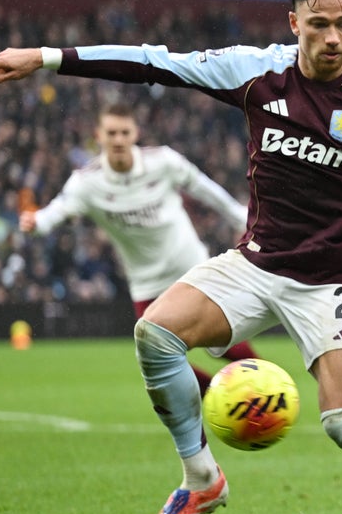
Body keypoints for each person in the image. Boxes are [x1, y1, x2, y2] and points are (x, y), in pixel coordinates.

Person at [0, 0, 342, 514]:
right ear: (293, 21)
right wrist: (44, 57)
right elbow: (153, 63)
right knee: (156, 333)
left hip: (331, 281)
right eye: (318, 24)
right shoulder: (255, 71)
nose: (331, 38)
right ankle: (201, 478)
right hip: (256, 262)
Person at [20, 103, 262, 395]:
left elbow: (206, 190)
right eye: (112, 132)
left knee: (219, 342)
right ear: (99, 135)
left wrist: (242, 218)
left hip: (190, 268)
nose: (118, 139)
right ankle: (220, 396)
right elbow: (57, 211)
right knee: (154, 357)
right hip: (146, 282)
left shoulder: (164, 162)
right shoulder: (87, 183)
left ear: (135, 133)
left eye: (124, 132)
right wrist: (37, 222)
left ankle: (265, 384)